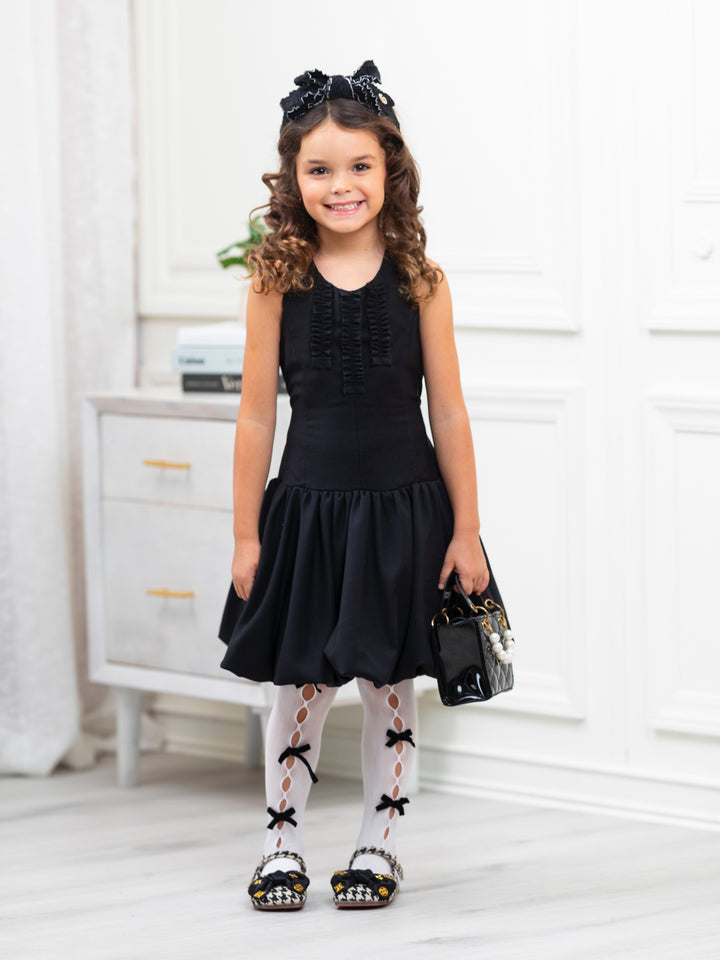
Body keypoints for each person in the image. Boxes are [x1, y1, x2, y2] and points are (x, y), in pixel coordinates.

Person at [218, 60, 496, 911]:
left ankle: (379, 845)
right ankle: (280, 846)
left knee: (387, 688)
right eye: (320, 169)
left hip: (405, 515)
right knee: (301, 687)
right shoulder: (274, 280)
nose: (341, 186)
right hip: (306, 515)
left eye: (360, 166)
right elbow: (256, 419)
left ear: (389, 169)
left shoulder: (423, 281)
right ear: (292, 178)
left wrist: (466, 530)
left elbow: (450, 413)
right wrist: (246, 533)